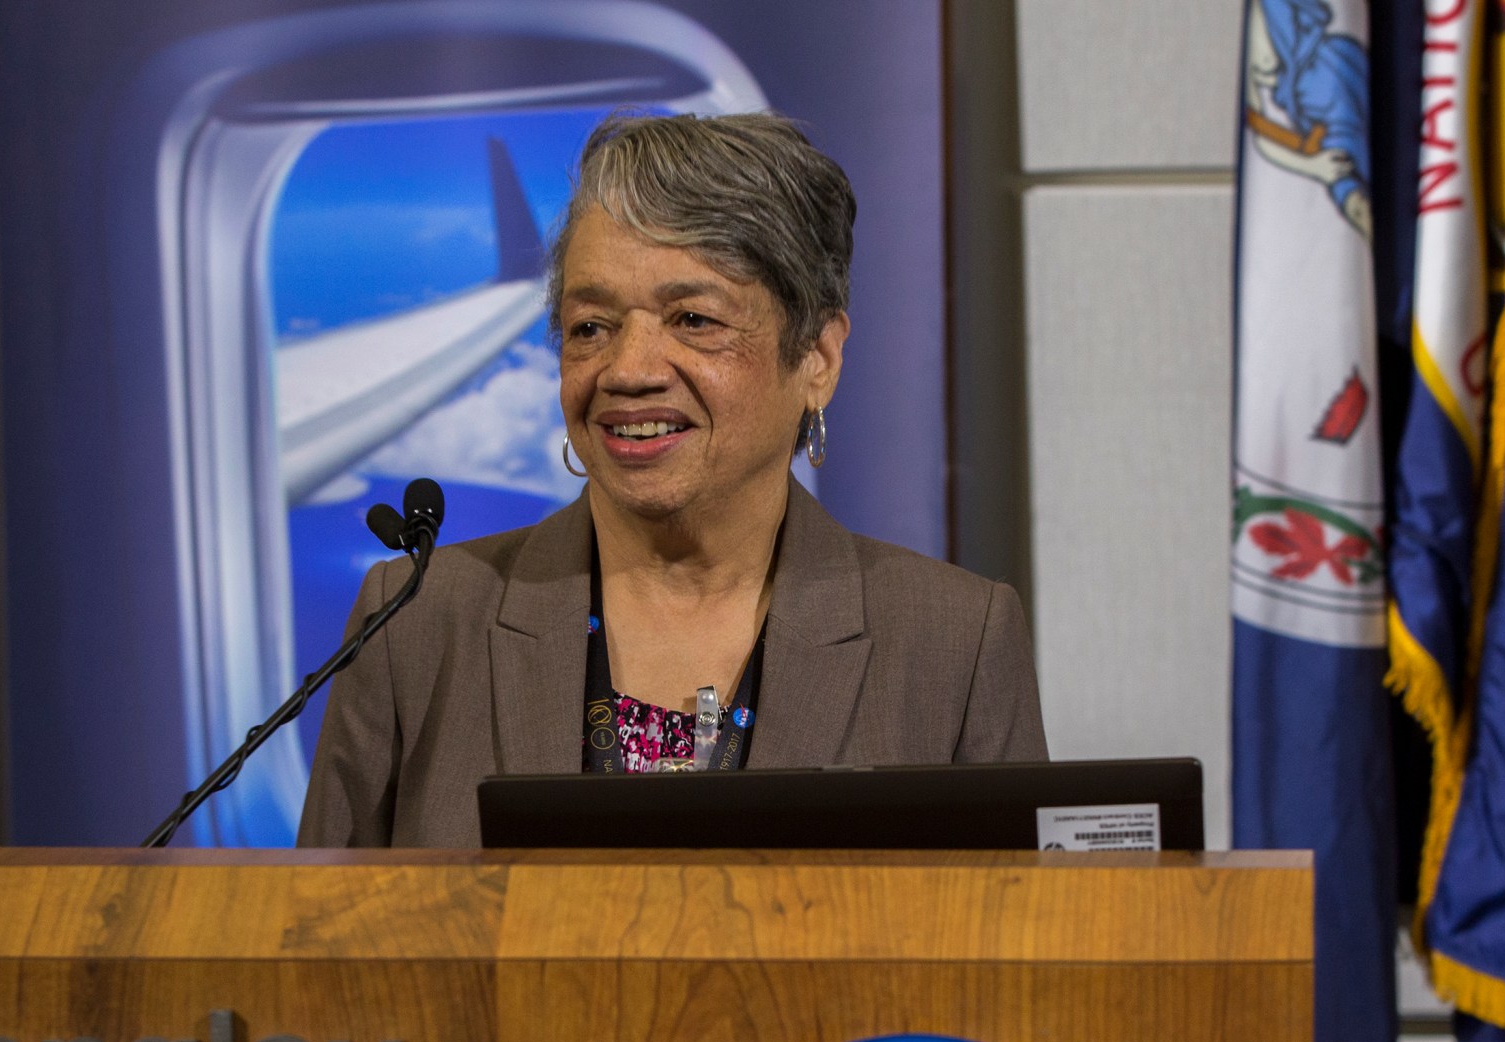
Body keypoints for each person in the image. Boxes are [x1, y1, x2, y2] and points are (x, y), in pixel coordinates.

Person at [298, 111, 1045, 849]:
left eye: (692, 319)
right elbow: (310, 953)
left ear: (816, 357)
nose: (628, 371)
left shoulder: (954, 643)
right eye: (591, 326)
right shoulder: (416, 625)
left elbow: (1019, 956)